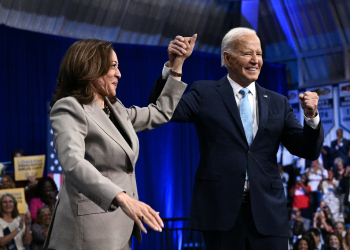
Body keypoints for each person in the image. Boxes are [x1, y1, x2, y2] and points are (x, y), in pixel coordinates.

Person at [148, 27, 324, 249]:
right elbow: (164, 110)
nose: (255, 60)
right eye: (247, 53)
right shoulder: (205, 92)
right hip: (221, 213)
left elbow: (307, 149)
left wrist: (311, 117)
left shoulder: (278, 102)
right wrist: (175, 65)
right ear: (227, 58)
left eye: (259, 54)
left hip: (268, 214)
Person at [43, 38, 194, 250]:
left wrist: (176, 64)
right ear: (90, 67)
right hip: (87, 235)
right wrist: (121, 197)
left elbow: (160, 112)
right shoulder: (69, 107)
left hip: (120, 230)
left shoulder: (116, 110)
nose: (119, 74)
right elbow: (73, 163)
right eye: (113, 66)